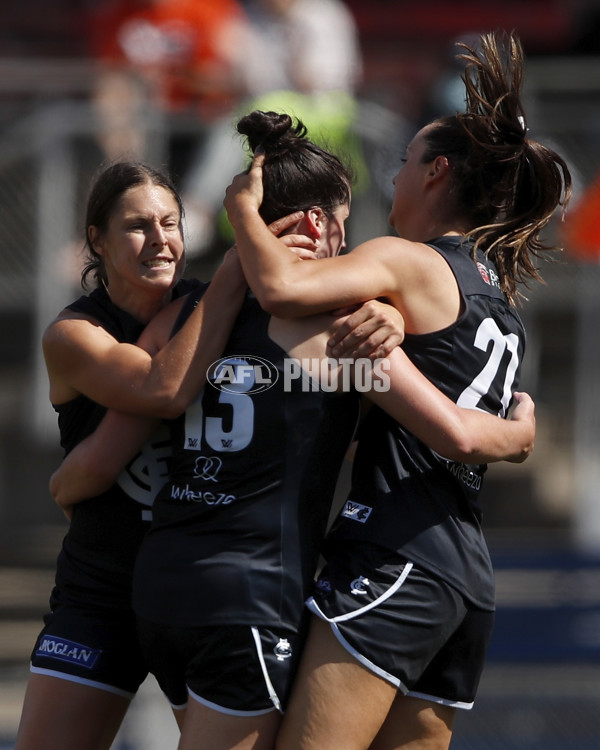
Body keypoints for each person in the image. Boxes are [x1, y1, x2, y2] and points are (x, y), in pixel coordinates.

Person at [52, 109, 535, 750]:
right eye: (342, 221)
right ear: (316, 222)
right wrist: (398, 333)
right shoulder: (345, 331)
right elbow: (440, 424)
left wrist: (63, 482)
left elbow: (103, 454)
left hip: (158, 583)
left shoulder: (183, 321)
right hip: (269, 592)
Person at [223, 33, 572, 750]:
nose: (392, 178)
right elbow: (381, 394)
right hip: (464, 576)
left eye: (403, 163)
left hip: (394, 555)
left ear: (437, 173)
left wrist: (241, 209)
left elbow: (282, 288)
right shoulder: (497, 301)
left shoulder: (408, 261)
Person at [14, 160, 252, 750]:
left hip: (202, 589)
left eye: (170, 223)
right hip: (102, 587)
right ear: (96, 238)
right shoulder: (73, 334)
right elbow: (160, 389)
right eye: (137, 226)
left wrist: (375, 311)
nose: (161, 240)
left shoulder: (229, 307)